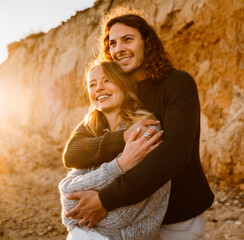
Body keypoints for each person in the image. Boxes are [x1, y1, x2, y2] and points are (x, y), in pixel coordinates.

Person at [63, 7, 214, 239]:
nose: (119, 49)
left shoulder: (176, 84)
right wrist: (121, 138)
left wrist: (105, 199)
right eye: (112, 44)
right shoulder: (115, 94)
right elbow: (72, 153)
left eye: (127, 39)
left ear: (146, 42)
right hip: (128, 221)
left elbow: (173, 156)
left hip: (178, 217)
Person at [59, 60, 170, 239]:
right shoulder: (93, 134)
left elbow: (119, 218)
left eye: (107, 80)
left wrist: (93, 206)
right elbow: (68, 198)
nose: (99, 88)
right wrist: (120, 165)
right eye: (92, 84)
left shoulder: (147, 132)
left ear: (123, 85)